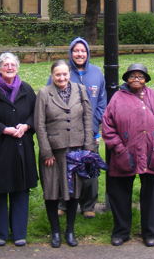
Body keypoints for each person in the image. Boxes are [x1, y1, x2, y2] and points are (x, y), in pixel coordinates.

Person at [102, 63, 154, 247]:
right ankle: (121, 231)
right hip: (125, 154)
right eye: (132, 76)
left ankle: (151, 233)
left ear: (146, 79)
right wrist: (119, 148)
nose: (136, 79)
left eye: (140, 76)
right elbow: (108, 127)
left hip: (152, 153)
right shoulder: (117, 98)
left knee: (151, 195)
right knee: (120, 194)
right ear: (126, 78)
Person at [0, 52, 38, 247]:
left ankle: (19, 232)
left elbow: (36, 115)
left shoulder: (27, 90)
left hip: (21, 148)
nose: (9, 68)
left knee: (21, 191)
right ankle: (0, 232)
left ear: (18, 67)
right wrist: (3, 129)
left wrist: (26, 126)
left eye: (13, 65)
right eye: (6, 65)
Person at [35, 60, 93, 248]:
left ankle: (70, 230)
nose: (61, 78)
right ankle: (55, 232)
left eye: (64, 74)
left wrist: (88, 147)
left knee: (74, 190)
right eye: (58, 75)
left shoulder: (80, 89)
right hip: (53, 152)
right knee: (52, 191)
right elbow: (39, 124)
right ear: (52, 75)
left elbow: (87, 117)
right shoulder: (44, 93)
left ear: (69, 74)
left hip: (76, 150)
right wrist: (46, 151)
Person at [50, 37, 106, 218]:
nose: (79, 54)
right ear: (71, 53)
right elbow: (50, 99)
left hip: (90, 132)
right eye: (76, 51)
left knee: (90, 168)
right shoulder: (63, 72)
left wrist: (94, 124)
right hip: (68, 132)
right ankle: (63, 204)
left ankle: (88, 206)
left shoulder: (97, 73)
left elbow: (102, 103)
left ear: (88, 53)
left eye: (83, 51)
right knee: (66, 168)